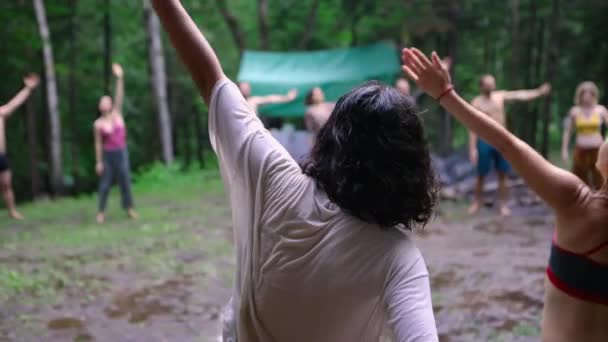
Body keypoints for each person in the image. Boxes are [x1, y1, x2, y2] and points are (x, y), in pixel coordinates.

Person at [151, 1, 439, 341]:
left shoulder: (277, 180)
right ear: (413, 168)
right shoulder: (399, 260)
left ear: (332, 138)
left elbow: (210, 78)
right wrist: (447, 95)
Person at [402, 47, 608, 342]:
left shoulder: (576, 202)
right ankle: (479, 202)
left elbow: (507, 143)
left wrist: (446, 94)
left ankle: (499, 204)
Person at [468, 73, 551, 216]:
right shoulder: (476, 102)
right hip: (484, 140)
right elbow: (472, 126)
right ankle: (476, 202)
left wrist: (538, 92)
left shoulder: (499, 97)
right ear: (482, 86)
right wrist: (472, 148)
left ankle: (503, 205)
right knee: (481, 174)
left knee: (503, 174)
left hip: (501, 139)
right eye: (488, 83)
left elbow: (519, 95)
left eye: (492, 83)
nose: (491, 86)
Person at [94, 63, 137, 224]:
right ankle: (101, 212)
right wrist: (98, 162)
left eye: (107, 101)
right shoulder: (98, 124)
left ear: (111, 104)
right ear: (99, 106)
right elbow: (98, 144)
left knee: (125, 180)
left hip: (121, 152)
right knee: (105, 184)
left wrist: (120, 78)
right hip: (108, 154)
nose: (105, 104)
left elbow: (119, 95)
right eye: (102, 102)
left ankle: (129, 208)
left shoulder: (117, 115)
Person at [0, 74, 40, 220]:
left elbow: (14, 103)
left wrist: (28, 89)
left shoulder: (1, 113)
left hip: (1, 156)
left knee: (6, 184)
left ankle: (12, 211)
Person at [561, 81, 608, 189]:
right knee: (579, 180)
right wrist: (564, 150)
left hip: (597, 150)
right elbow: (567, 132)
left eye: (590, 94)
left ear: (594, 95)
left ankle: (602, 204)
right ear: (580, 95)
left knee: (600, 179)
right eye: (584, 94)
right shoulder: (574, 111)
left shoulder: (600, 110)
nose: (587, 97)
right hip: (581, 150)